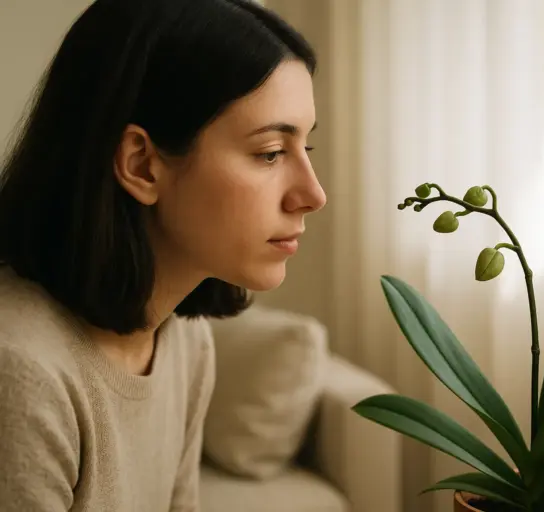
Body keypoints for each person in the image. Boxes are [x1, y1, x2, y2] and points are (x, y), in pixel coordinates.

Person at [0, 0, 325, 510]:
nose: (312, 194)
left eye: (307, 148)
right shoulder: (20, 372)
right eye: (269, 153)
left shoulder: (184, 341)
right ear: (142, 165)